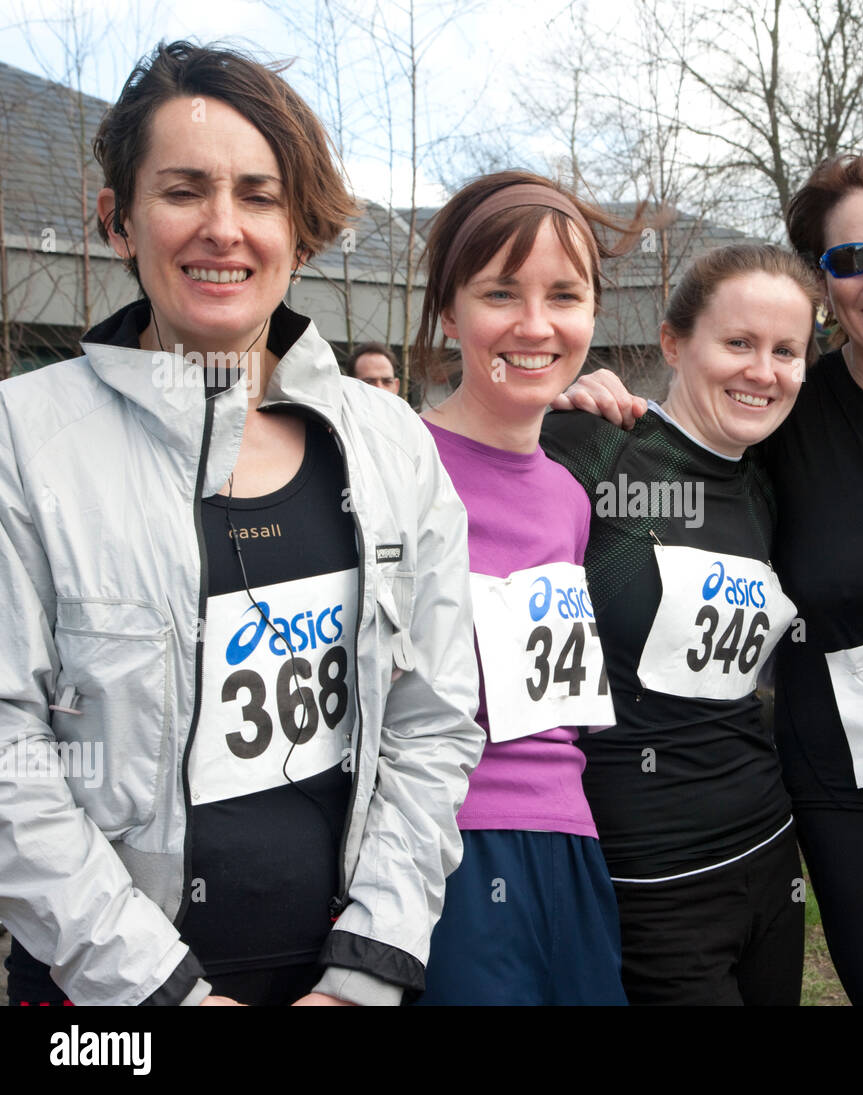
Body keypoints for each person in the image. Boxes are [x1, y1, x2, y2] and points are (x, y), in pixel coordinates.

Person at [0, 41, 483, 1006]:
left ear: (299, 231)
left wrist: (366, 971)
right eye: (183, 190)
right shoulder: (22, 439)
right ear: (116, 221)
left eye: (259, 196)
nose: (223, 228)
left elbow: (433, 724)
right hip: (104, 1000)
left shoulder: (394, 443)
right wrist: (156, 989)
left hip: (342, 980)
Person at [557, 153, 863, 1005]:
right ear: (827, 284)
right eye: (849, 261)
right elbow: (690, 435)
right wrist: (582, 402)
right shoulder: (788, 413)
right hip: (862, 810)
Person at [541, 243, 820, 1005]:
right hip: (646, 872)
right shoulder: (593, 444)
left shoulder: (766, 479)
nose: (762, 370)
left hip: (767, 852)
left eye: (785, 350)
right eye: (738, 343)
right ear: (673, 343)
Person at [409, 171, 639, 1005]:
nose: (535, 325)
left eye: (565, 296)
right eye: (500, 292)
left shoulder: (572, 492)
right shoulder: (397, 462)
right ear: (450, 311)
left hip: (572, 844)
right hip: (448, 851)